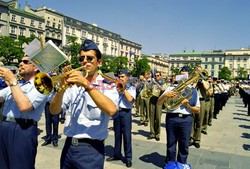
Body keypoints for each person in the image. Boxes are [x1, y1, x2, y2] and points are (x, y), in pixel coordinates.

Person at [49, 39, 119, 169]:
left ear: (99, 62)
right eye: (82, 59)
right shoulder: (73, 85)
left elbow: (112, 110)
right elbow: (54, 111)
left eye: (90, 58)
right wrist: (62, 88)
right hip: (69, 147)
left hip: (91, 150)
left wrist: (87, 84)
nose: (85, 61)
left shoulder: (107, 84)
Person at [0, 55, 48, 169]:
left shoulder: (42, 84)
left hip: (23, 129)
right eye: (21, 61)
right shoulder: (19, 84)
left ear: (36, 67)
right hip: (5, 126)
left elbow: (24, 106)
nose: (21, 64)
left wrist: (12, 80)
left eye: (25, 62)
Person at [157, 66, 200, 165]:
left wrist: (187, 105)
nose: (183, 78)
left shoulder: (193, 91)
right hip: (172, 118)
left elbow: (197, 110)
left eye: (185, 76)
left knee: (184, 145)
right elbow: (159, 103)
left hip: (186, 119)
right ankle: (170, 164)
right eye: (181, 75)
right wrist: (165, 95)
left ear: (189, 77)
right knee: (171, 144)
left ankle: (181, 164)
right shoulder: (170, 88)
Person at [106, 69, 136, 168]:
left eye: (122, 77)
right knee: (117, 134)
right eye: (119, 77)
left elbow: (131, 100)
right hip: (117, 112)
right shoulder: (115, 87)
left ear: (127, 77)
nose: (120, 78)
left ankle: (128, 158)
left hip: (126, 112)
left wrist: (123, 89)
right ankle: (116, 154)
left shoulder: (131, 87)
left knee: (127, 136)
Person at [41, 73, 60, 147]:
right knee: (48, 123)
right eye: (52, 76)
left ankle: (55, 140)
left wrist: (56, 86)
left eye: (55, 76)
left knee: (55, 123)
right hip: (48, 105)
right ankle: (48, 138)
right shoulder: (47, 84)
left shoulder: (58, 84)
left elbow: (59, 92)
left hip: (55, 104)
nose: (53, 77)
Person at [147, 71, 166, 141]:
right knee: (151, 117)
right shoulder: (152, 82)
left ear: (160, 76)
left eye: (157, 76)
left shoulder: (164, 82)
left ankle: (157, 134)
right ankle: (152, 133)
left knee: (158, 117)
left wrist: (156, 83)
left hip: (159, 100)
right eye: (155, 76)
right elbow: (148, 88)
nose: (156, 77)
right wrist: (150, 83)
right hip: (152, 99)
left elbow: (163, 89)